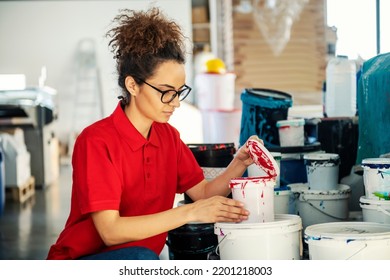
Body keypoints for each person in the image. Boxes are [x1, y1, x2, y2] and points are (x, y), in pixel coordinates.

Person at [47, 7, 258, 260]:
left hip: (138, 261)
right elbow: (110, 232)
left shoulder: (168, 137)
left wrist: (239, 163)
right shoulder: (96, 141)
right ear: (132, 85)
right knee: (143, 258)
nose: (175, 102)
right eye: (166, 91)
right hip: (83, 262)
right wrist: (190, 213)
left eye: (179, 91)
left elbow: (202, 193)